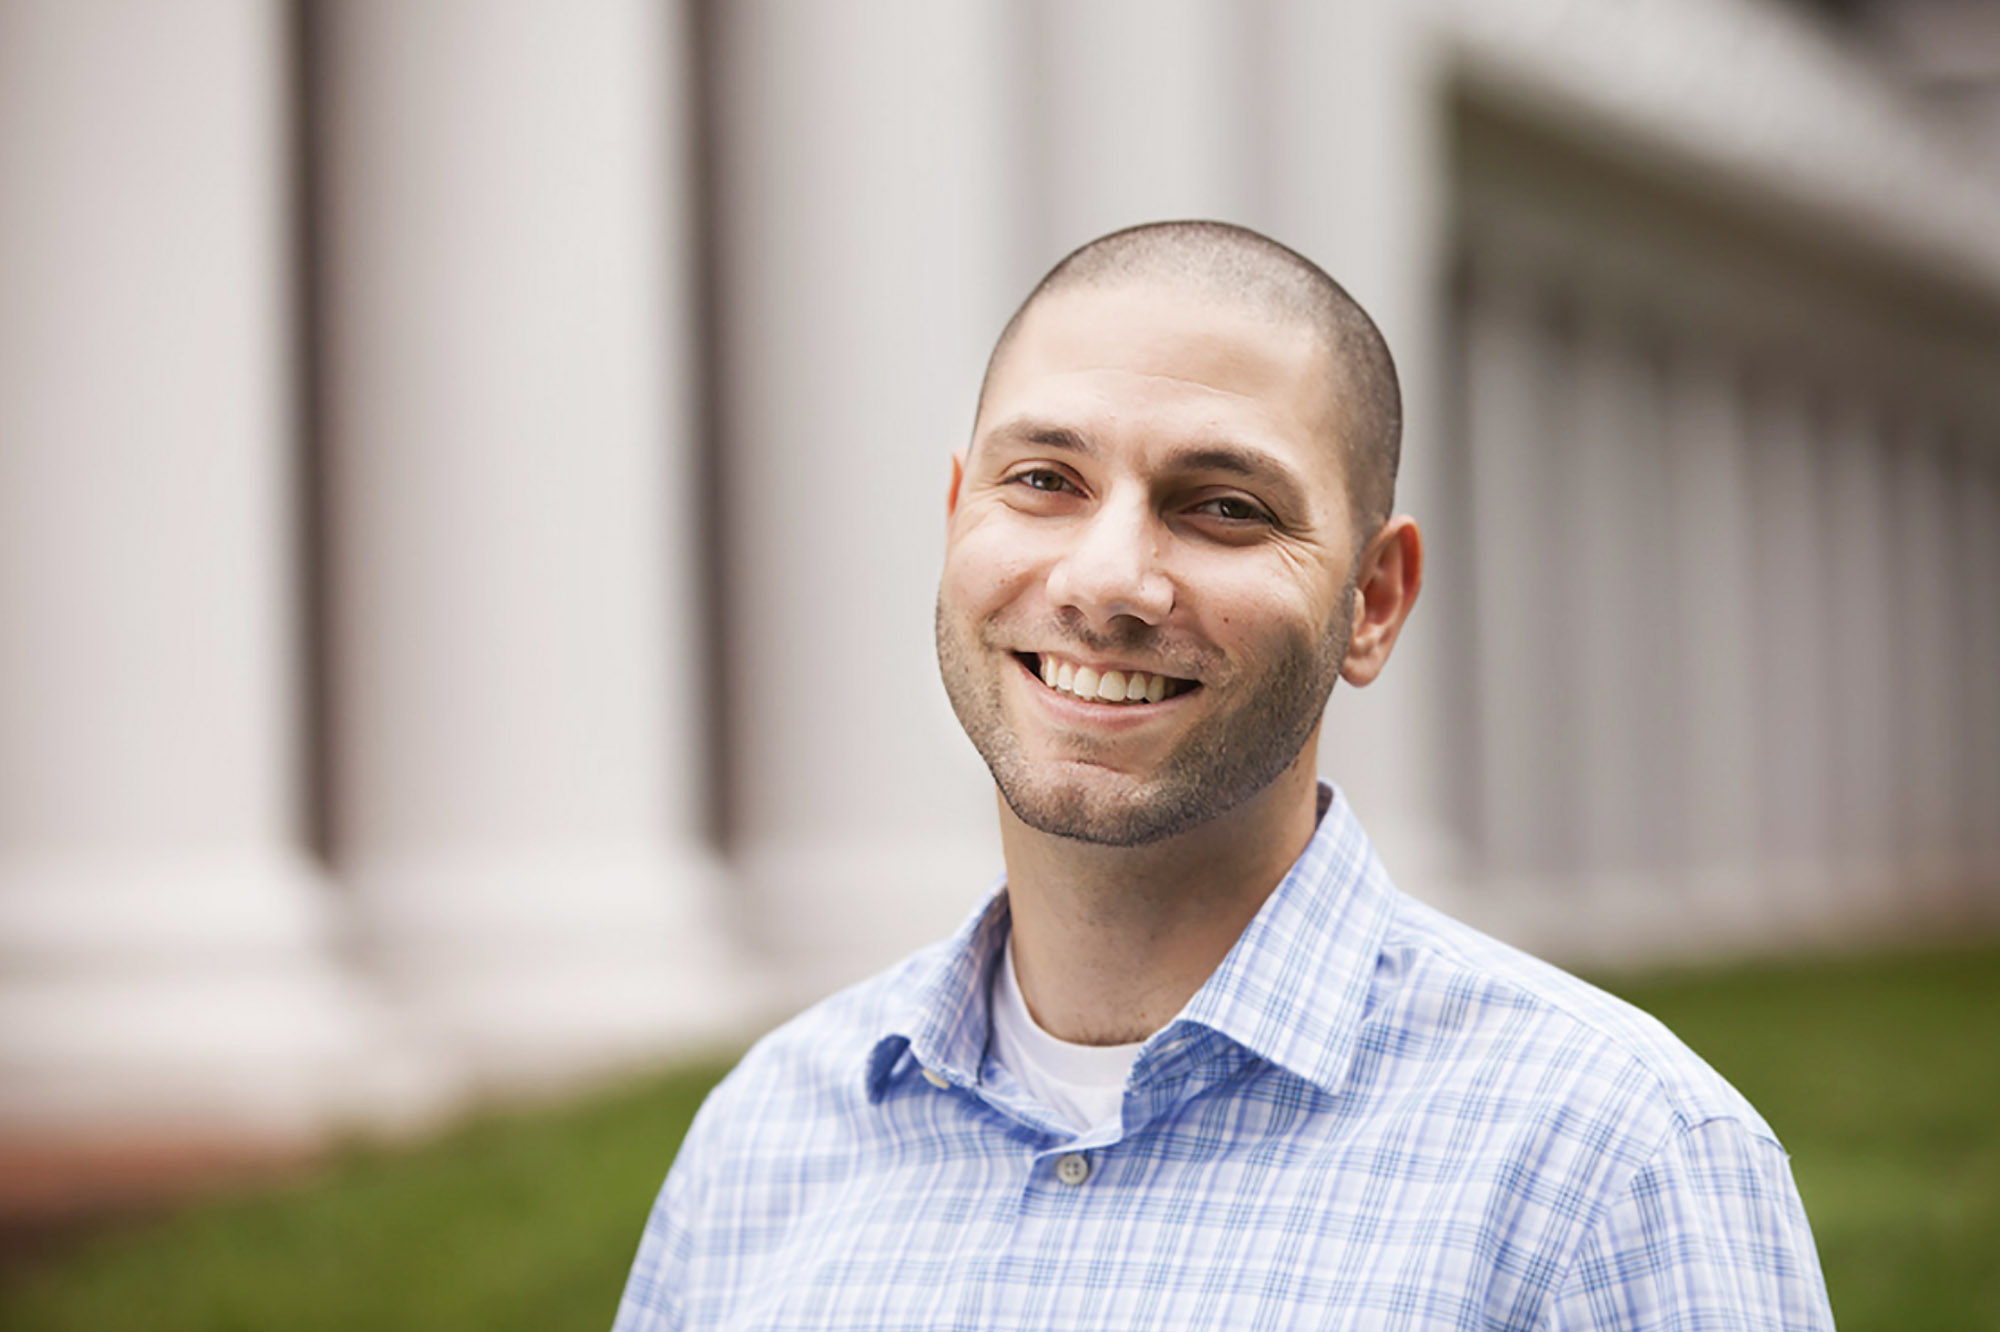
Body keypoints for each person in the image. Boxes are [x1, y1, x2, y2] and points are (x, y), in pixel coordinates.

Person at [613, 221, 1834, 1330]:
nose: (1105, 581)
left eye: (1224, 507)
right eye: (1044, 480)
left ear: (1373, 601)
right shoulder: (761, 1144)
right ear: (954, 516)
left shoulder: (1614, 1168)